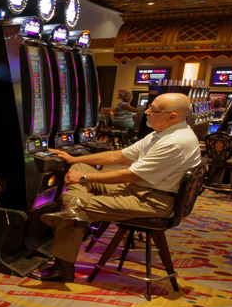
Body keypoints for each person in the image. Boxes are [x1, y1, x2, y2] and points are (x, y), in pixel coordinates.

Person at [36, 92, 201, 283]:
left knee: (78, 209)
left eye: (153, 110)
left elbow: (131, 175)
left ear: (172, 116)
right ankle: (75, 209)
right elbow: (119, 156)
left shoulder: (175, 142)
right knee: (80, 167)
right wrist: (73, 159)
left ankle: (62, 268)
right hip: (140, 189)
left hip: (151, 200)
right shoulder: (161, 134)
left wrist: (83, 178)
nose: (146, 111)